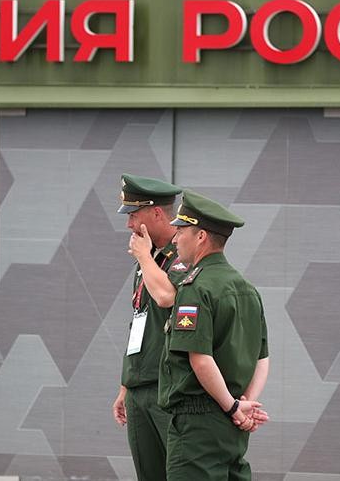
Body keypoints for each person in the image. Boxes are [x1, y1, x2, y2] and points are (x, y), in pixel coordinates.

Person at [157, 190, 270, 481]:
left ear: (201, 236)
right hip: (233, 424)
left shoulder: (195, 288)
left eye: (181, 231)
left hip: (198, 425)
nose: (174, 239)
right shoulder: (247, 289)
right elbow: (262, 358)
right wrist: (243, 406)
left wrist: (234, 407)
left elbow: (201, 359)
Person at [111, 173, 186, 481]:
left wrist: (144, 258)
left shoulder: (183, 254)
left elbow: (167, 297)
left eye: (133, 215)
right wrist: (126, 384)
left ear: (156, 213)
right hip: (139, 388)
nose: (129, 224)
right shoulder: (148, 259)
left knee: (177, 473)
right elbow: (139, 322)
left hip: (166, 389)